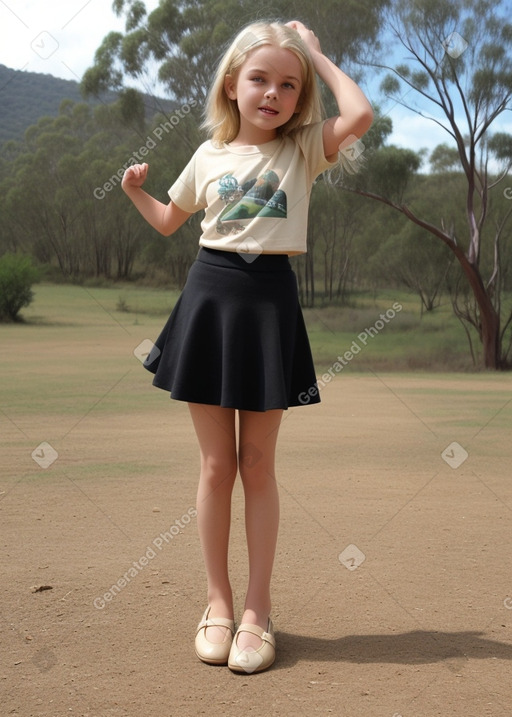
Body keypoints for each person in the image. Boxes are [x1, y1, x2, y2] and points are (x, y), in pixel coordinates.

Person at [121, 19, 373, 674]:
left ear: (299, 95)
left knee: (257, 462)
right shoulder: (208, 157)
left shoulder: (303, 150)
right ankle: (218, 605)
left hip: (269, 304)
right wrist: (134, 191)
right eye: (260, 78)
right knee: (215, 466)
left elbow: (361, 112)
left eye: (289, 84)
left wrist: (315, 52)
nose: (274, 92)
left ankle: (257, 613)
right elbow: (169, 222)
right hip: (209, 296)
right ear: (232, 84)